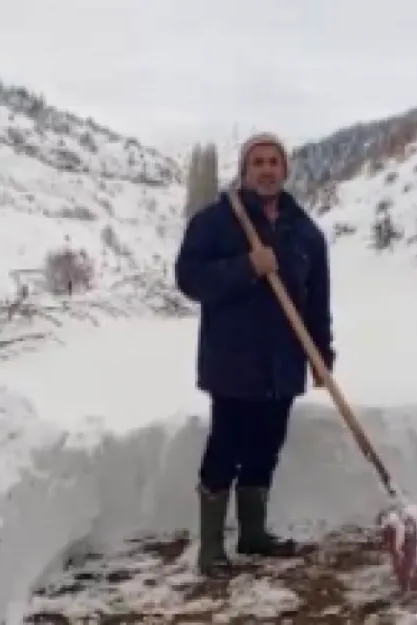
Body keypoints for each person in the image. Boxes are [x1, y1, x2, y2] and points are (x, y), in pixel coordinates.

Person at [174, 133, 335, 576]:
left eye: (274, 161)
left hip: (283, 361)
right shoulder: (217, 222)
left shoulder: (304, 232)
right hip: (232, 360)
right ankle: (210, 549)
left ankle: (252, 535)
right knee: (226, 446)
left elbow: (316, 302)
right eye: (257, 162)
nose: (266, 169)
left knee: (266, 446)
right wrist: (246, 267)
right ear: (245, 171)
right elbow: (188, 278)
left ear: (285, 170)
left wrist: (322, 356)